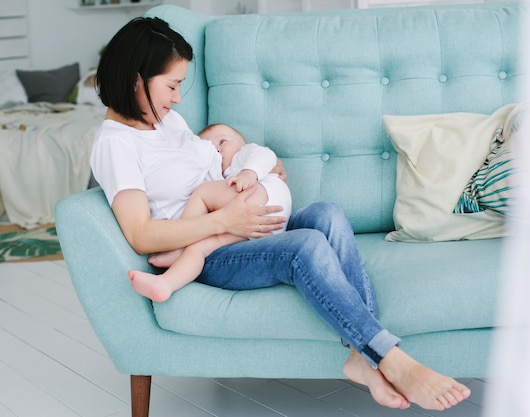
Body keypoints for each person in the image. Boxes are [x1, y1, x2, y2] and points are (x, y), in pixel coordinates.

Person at [90, 16, 472, 412]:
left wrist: (252, 172)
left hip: (237, 222)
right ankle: (390, 358)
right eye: (171, 86)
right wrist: (223, 221)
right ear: (137, 78)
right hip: (206, 252)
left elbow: (211, 166)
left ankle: (362, 356)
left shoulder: (166, 121)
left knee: (326, 214)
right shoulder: (116, 144)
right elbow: (140, 234)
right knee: (304, 245)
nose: (177, 98)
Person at [128, 123, 292, 302]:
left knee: (202, 193)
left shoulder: (243, 156)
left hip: (263, 194)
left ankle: (180, 245)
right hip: (261, 231)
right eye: (211, 147)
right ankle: (166, 284)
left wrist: (249, 173)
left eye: (222, 141)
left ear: (242, 144)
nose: (217, 150)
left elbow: (265, 154)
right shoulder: (222, 176)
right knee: (198, 249)